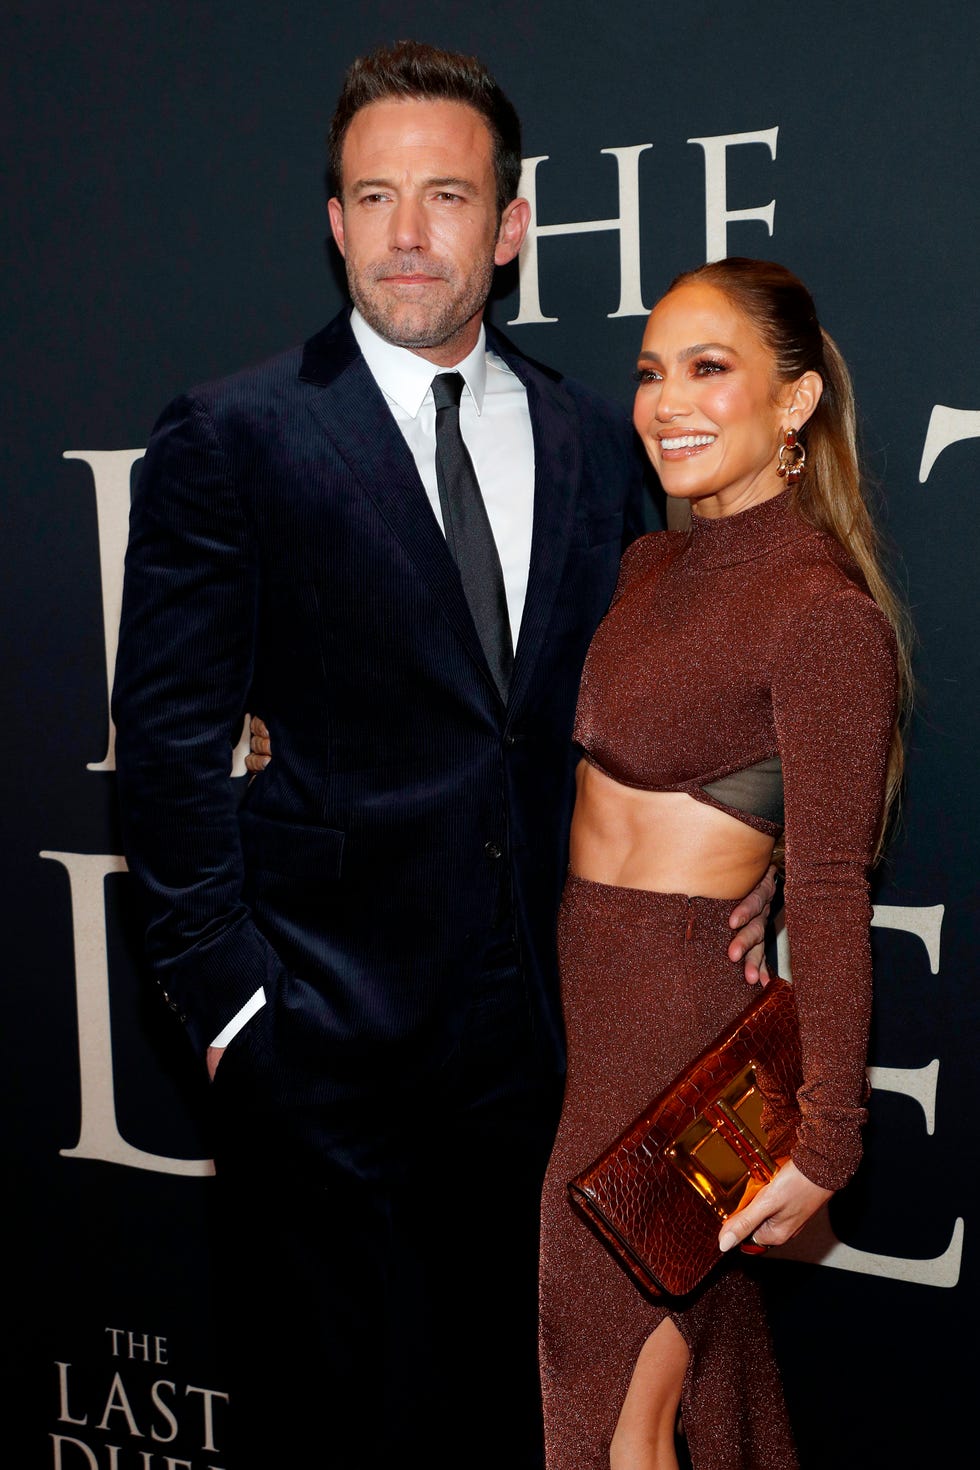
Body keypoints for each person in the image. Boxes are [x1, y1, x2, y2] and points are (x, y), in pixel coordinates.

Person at [112, 42, 773, 1470]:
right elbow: (163, 755)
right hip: (317, 1048)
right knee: (332, 1426)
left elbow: (653, 714)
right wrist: (233, 1016)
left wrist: (749, 861)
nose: (411, 234)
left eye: (449, 196)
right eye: (376, 197)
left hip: (547, 1048)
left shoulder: (600, 442)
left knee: (514, 1421)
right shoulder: (235, 436)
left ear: (512, 225)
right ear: (336, 221)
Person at [537, 257, 910, 1470]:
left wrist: (829, 1139)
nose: (666, 402)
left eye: (708, 369)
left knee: (600, 1422)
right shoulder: (650, 567)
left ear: (794, 402)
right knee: (691, 1391)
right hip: (595, 1010)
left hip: (674, 1036)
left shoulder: (819, 612)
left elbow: (832, 887)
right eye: (650, 373)